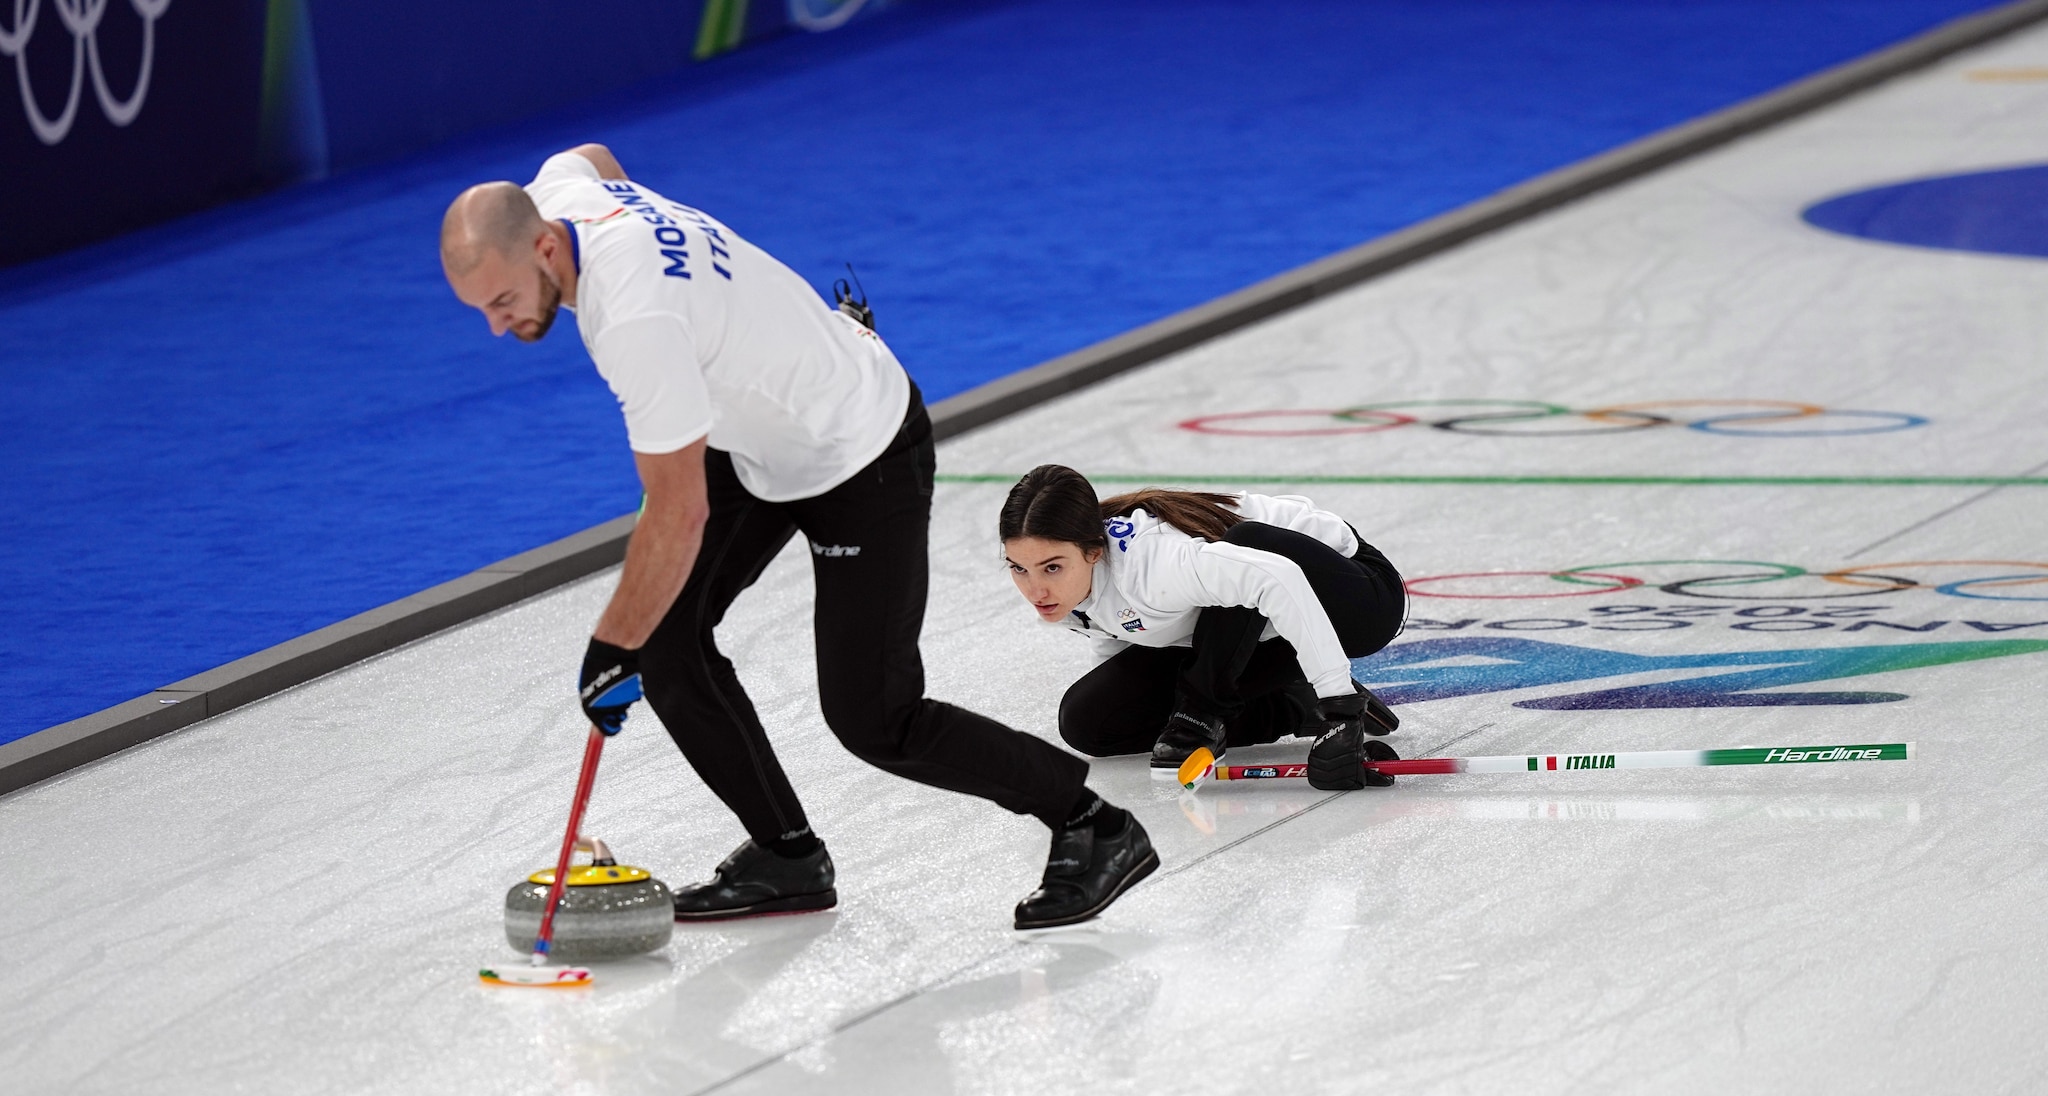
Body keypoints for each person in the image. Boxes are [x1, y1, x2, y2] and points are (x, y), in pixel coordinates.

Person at [439, 145, 1153, 931]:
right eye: (480, 309)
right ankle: (786, 855)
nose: (498, 326)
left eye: (503, 300)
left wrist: (608, 645)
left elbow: (676, 515)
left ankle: (1093, 825)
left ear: (546, 248)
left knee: (875, 718)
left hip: (861, 449)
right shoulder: (563, 194)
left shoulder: (632, 318)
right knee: (668, 646)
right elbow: (593, 157)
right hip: (762, 440)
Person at [998, 464, 1405, 790]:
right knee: (1089, 721)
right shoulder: (1066, 590)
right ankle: (1292, 706)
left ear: (1092, 552)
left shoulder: (1152, 564)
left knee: (1246, 546)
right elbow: (1120, 632)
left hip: (1355, 600)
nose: (1036, 589)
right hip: (1258, 626)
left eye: (1051, 567)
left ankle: (1214, 708)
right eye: (1018, 568)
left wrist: (1340, 709)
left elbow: (1277, 579)